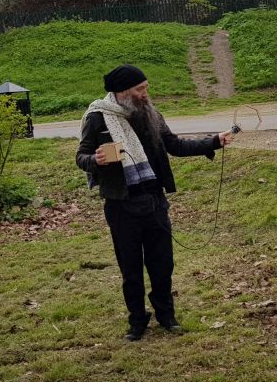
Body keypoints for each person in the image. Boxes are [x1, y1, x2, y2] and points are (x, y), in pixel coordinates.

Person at [76, 64, 236, 341]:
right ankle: (137, 321)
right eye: (141, 89)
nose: (146, 94)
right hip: (121, 205)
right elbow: (81, 156)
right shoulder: (98, 118)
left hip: (154, 202)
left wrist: (213, 142)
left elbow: (174, 145)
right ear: (123, 91)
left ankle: (166, 316)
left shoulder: (151, 114)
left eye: (146, 87)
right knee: (131, 269)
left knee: (163, 263)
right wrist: (95, 161)